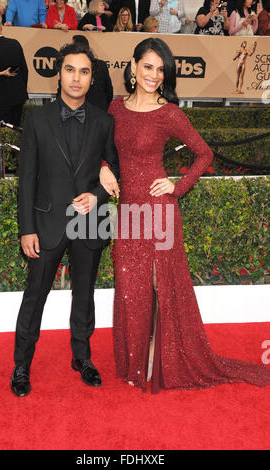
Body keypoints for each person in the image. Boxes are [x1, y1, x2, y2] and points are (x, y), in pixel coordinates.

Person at [100, 37, 270, 393]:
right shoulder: (114, 108)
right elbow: (102, 148)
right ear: (132, 67)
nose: (154, 75)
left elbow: (204, 154)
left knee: (161, 287)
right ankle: (135, 362)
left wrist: (176, 187)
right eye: (147, 66)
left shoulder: (169, 113)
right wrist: (103, 166)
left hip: (160, 211)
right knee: (131, 287)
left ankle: (157, 364)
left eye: (160, 69)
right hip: (129, 212)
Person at [10, 41, 119, 397]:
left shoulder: (105, 121)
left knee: (85, 294)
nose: (76, 77)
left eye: (84, 71)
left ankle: (83, 357)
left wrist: (98, 196)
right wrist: (26, 228)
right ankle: (22, 365)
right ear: (58, 74)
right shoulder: (37, 118)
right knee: (35, 295)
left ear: (92, 78)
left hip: (91, 221)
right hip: (47, 224)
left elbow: (115, 169)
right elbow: (26, 177)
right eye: (70, 70)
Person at [0, 17, 28, 126]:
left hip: (2, 97)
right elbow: (25, 70)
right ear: (1, 28)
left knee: (2, 131)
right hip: (19, 95)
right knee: (16, 128)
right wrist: (22, 88)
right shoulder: (15, 43)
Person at [72, 34, 113, 110]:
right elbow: (109, 91)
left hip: (94, 111)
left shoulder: (101, 65)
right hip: (97, 110)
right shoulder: (102, 64)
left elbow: (109, 91)